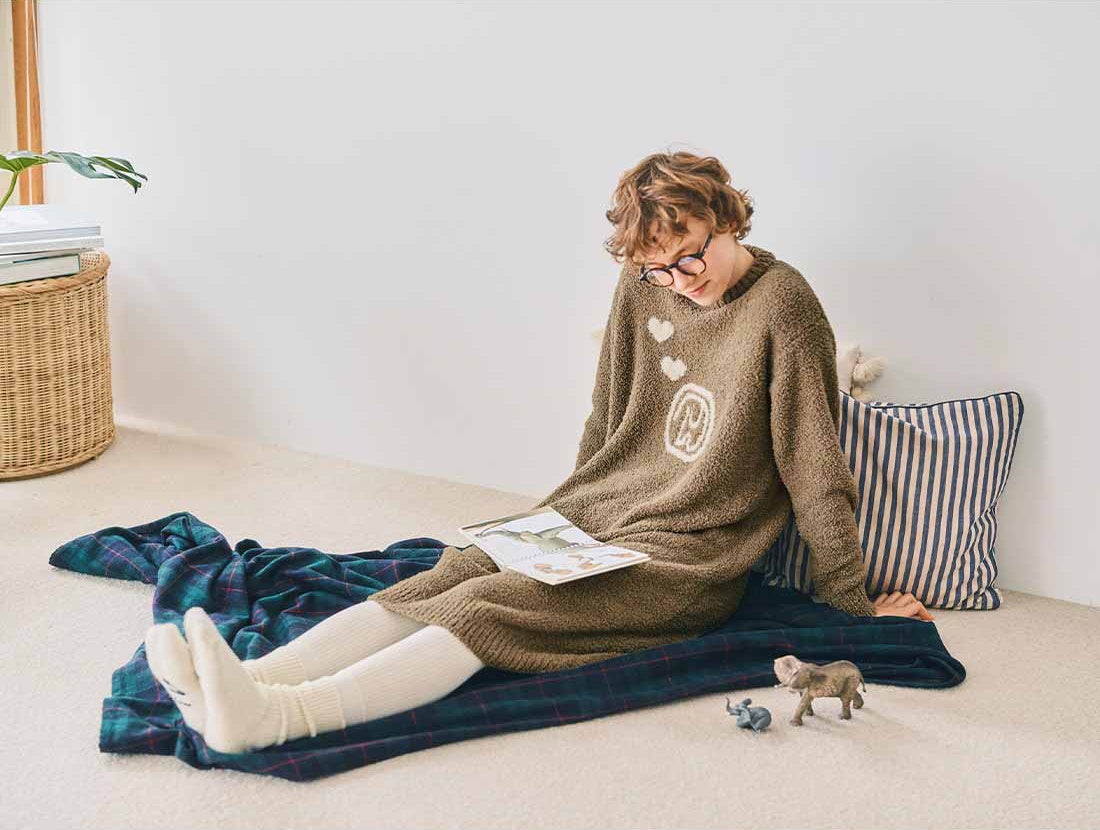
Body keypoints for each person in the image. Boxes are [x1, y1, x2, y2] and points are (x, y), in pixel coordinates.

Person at [144, 150, 931, 755]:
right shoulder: (644, 283)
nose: (677, 279)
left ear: (727, 218)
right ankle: (245, 681)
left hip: (690, 554)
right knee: (454, 571)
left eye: (689, 255)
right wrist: (562, 513)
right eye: (656, 267)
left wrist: (850, 604)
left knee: (492, 608)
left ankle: (281, 718)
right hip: (602, 511)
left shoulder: (785, 308)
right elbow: (611, 417)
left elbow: (813, 465)